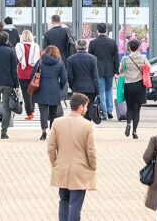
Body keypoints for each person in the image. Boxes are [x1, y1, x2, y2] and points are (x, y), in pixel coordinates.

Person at [47, 92, 97, 221]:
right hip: (80, 170)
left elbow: (51, 148)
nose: (86, 109)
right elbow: (90, 150)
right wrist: (93, 166)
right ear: (80, 107)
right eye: (85, 106)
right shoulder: (87, 125)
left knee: (64, 200)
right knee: (75, 204)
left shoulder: (57, 122)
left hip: (62, 168)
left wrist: (55, 163)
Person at [33, 45, 68, 140]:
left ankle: (43, 131)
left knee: (43, 112)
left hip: (41, 89)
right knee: (53, 112)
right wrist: (59, 87)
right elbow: (64, 79)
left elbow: (33, 74)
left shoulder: (40, 62)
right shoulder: (59, 63)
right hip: (54, 88)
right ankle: (53, 131)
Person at [88, 22, 119, 119]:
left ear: (97, 31)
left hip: (98, 70)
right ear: (106, 30)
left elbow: (90, 57)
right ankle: (110, 110)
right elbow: (116, 57)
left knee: (101, 91)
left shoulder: (93, 43)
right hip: (110, 69)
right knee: (109, 90)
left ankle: (104, 112)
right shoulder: (112, 42)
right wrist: (116, 69)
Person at [120, 38, 149, 139]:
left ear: (129, 48)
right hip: (140, 86)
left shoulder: (125, 59)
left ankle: (128, 123)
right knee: (137, 110)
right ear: (139, 47)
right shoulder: (143, 57)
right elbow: (148, 67)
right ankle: (135, 131)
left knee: (129, 108)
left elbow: (121, 70)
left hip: (128, 85)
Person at [67, 39, 99, 120]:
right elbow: (95, 76)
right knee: (87, 110)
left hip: (77, 88)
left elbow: (70, 76)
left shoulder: (70, 59)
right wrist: (97, 90)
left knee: (77, 109)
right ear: (86, 46)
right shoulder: (93, 58)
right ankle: (86, 127)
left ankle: (78, 127)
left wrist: (72, 86)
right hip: (90, 88)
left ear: (77, 47)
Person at [15, 29, 40, 120]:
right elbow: (38, 60)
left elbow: (17, 60)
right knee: (32, 92)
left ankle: (29, 113)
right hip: (33, 73)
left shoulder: (18, 47)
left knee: (26, 94)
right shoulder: (36, 47)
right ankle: (32, 110)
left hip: (22, 73)